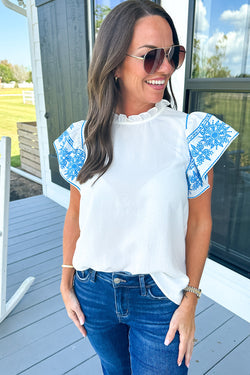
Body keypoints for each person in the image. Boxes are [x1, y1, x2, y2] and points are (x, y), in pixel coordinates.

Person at [54, 1, 238, 374]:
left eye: (173, 54)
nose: (166, 67)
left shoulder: (191, 134)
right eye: (151, 56)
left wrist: (190, 302)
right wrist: (65, 281)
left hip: (160, 297)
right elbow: (76, 215)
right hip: (92, 291)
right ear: (115, 63)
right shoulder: (84, 137)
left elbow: (200, 224)